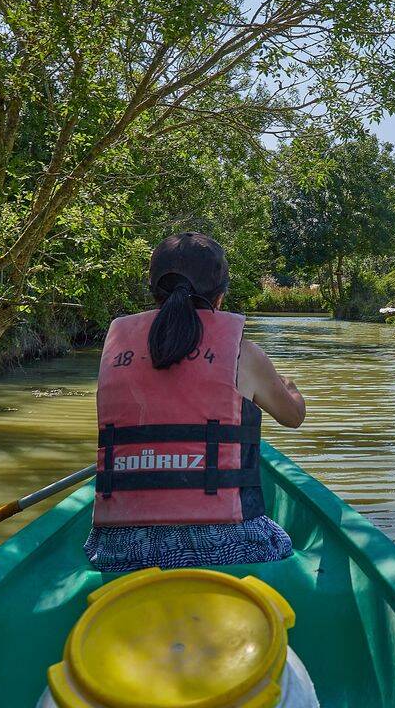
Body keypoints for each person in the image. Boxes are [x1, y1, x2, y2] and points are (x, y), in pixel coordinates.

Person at [84, 232, 306, 571]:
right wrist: (290, 388)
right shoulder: (244, 353)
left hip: (120, 550)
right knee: (279, 541)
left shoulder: (117, 350)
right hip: (228, 545)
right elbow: (293, 417)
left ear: (154, 291)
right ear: (220, 296)